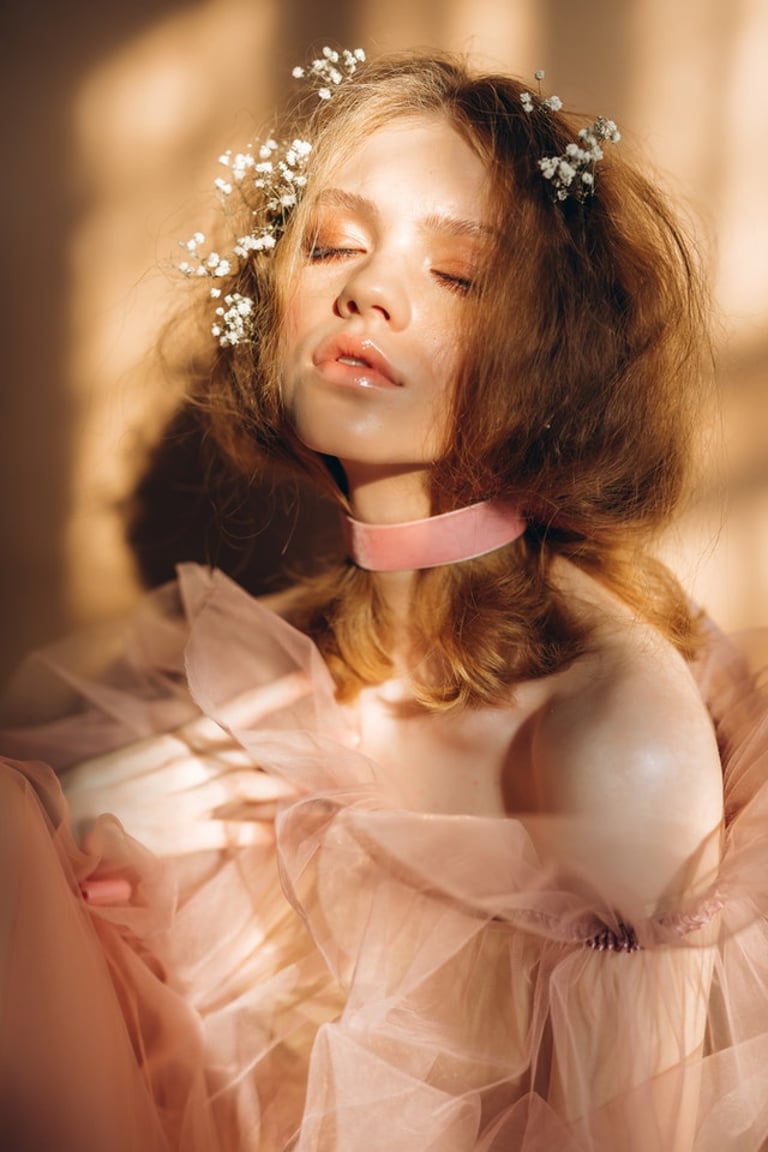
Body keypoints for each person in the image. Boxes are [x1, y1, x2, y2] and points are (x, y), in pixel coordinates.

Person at [2, 46, 768, 1152]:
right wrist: (82, 848)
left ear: (552, 353)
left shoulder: (609, 733)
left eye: (456, 275)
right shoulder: (272, 663)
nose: (365, 290)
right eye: (331, 246)